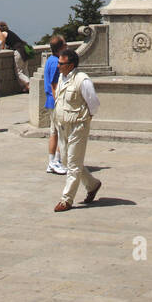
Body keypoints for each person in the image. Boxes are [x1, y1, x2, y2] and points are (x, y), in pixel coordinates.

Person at [53, 49, 101, 212]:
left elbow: (93, 102)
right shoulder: (62, 77)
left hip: (78, 125)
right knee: (66, 160)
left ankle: (66, 199)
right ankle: (92, 184)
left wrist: (87, 117)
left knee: (73, 164)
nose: (58, 66)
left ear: (71, 65)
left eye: (61, 63)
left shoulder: (82, 80)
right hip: (63, 125)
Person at [44, 34, 68, 174]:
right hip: (55, 101)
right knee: (61, 133)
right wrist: (59, 101)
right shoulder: (55, 62)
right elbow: (54, 84)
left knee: (54, 132)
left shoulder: (50, 60)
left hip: (51, 101)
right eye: (64, 44)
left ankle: (52, 161)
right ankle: (56, 161)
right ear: (60, 48)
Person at [0, 21, 32, 92]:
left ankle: (29, 84)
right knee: (25, 69)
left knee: (19, 72)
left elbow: (2, 44)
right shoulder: (9, 32)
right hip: (24, 50)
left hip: (19, 51)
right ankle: (26, 87)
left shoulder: (4, 33)